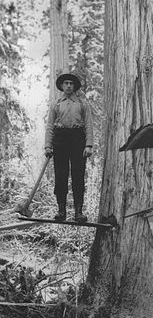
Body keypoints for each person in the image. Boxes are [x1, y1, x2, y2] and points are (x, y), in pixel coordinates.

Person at [44, 73, 93, 222]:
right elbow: (50, 126)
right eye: (66, 83)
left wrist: (88, 145)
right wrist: (47, 145)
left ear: (75, 86)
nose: (68, 86)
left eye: (71, 83)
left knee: (78, 176)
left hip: (77, 139)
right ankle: (61, 211)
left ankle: (79, 212)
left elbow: (89, 125)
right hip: (60, 140)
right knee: (61, 175)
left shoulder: (82, 103)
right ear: (61, 86)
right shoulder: (56, 103)